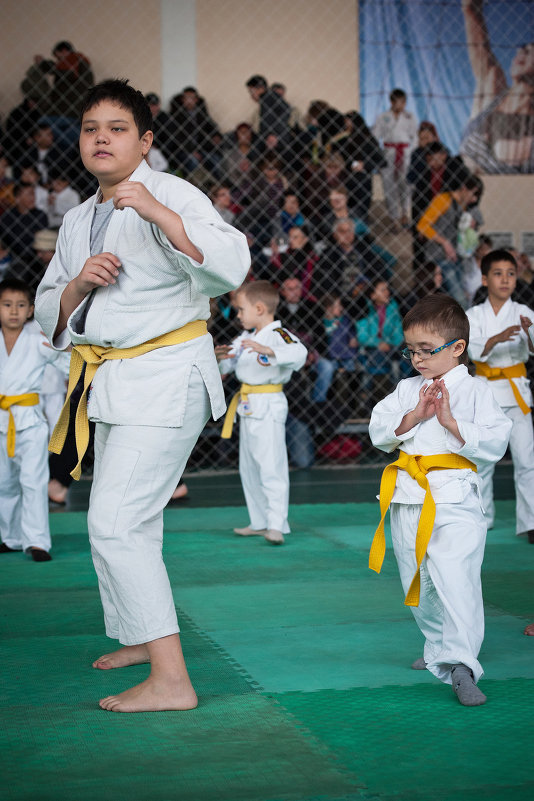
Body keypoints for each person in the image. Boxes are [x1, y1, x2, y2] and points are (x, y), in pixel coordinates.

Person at [34, 79, 250, 713]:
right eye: (90, 128)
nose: (101, 137)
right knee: (132, 518)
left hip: (164, 377)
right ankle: (136, 636)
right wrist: (77, 285)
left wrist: (161, 215)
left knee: (115, 522)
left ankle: (172, 680)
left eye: (118, 127)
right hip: (110, 381)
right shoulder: (77, 218)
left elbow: (231, 264)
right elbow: (50, 307)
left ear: (145, 140)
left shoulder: (173, 192)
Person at [368, 294, 511, 705]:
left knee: (455, 577)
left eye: (426, 350)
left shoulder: (476, 392)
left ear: (457, 348)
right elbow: (380, 431)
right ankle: (437, 650)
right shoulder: (406, 388)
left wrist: (449, 421)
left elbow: (496, 440)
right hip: (407, 497)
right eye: (410, 350)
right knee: (418, 578)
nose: (417, 359)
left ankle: (462, 664)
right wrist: (412, 416)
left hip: (455, 501)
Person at [216, 281, 307, 544]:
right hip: (247, 405)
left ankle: (277, 524)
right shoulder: (246, 339)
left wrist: (268, 350)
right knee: (250, 467)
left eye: (241, 309)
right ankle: (259, 521)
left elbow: (299, 353)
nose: (238, 315)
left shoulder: (279, 336)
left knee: (271, 465)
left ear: (259, 308)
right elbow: (227, 367)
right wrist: (220, 357)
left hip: (268, 404)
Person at [466, 250, 534, 540]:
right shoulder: (473, 315)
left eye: (510, 273)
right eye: (497, 273)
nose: (505, 279)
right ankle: (482, 518)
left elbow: (532, 348)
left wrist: (528, 334)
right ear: (484, 279)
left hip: (517, 392)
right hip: (485, 393)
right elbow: (471, 350)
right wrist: (496, 337)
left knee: (527, 460)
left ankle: (530, 522)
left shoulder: (525, 313)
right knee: (482, 462)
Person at [0, 278, 70, 561]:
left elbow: (65, 363)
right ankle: (11, 536)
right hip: (1, 421)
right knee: (5, 483)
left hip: (29, 422)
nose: (13, 311)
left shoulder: (38, 337)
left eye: (20, 305)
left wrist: (66, 349)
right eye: (7, 305)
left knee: (33, 481)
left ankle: (37, 541)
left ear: (30, 310)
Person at [460, 0, 534, 173]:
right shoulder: (492, 87)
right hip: (469, 195)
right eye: (522, 48)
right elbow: (472, 16)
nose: (521, 51)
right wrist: (470, 8)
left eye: (530, 50)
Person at [416, 166, 481, 306]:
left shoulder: (462, 207)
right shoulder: (443, 199)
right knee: (460, 299)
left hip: (454, 258)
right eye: (473, 194)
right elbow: (422, 225)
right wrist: (444, 242)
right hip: (438, 258)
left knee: (464, 296)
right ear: (464, 188)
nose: (474, 199)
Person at [356, 279, 404, 413]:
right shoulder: (364, 308)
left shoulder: (393, 306)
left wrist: (390, 343)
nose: (387, 292)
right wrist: (378, 343)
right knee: (375, 360)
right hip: (370, 348)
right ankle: (369, 405)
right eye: (382, 290)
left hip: (390, 346)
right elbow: (362, 336)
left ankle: (399, 403)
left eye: (387, 289)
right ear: (372, 295)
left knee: (404, 358)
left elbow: (398, 332)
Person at [373, 88, 418, 230]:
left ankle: (405, 213)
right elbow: (375, 137)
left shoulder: (410, 117)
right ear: (391, 102)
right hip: (389, 151)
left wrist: (413, 152)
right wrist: (378, 155)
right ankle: (394, 217)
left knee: (406, 184)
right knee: (389, 185)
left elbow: (415, 136)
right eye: (398, 102)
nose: (401, 105)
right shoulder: (383, 117)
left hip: (405, 152)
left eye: (403, 102)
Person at [312, 293, 357, 402]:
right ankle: (324, 402)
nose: (341, 308)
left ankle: (351, 403)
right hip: (327, 356)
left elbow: (352, 334)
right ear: (328, 308)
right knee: (330, 368)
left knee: (353, 368)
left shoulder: (344, 320)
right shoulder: (320, 322)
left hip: (345, 355)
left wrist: (352, 337)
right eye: (337, 305)